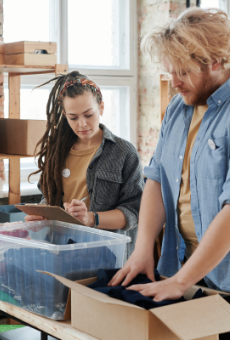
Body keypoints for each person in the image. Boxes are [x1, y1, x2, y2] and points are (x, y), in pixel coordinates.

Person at [109, 7, 230, 305]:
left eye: (183, 72)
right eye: (170, 72)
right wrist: (142, 248)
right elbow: (158, 179)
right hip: (186, 268)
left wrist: (180, 281)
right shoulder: (178, 108)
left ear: (216, 61)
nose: (174, 82)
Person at [25, 71, 144, 260]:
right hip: (60, 252)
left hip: (109, 258)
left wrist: (91, 218)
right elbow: (48, 199)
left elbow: (135, 212)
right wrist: (40, 216)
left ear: (101, 107)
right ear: (64, 115)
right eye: (73, 117)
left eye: (88, 114)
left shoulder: (124, 152)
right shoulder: (57, 153)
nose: (82, 124)